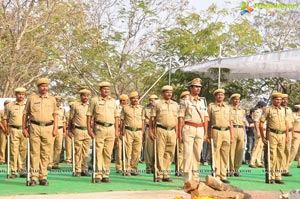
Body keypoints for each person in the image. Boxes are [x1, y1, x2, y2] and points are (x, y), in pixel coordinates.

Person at [22, 78, 58, 186]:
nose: (44, 88)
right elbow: (25, 114)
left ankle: (43, 176)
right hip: (34, 127)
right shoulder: (31, 98)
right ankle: (34, 176)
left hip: (48, 128)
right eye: (42, 86)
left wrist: (55, 128)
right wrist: (24, 128)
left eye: (46, 86)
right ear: (38, 87)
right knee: (34, 153)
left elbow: (55, 115)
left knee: (45, 153)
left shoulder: (52, 99)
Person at [87, 81, 119, 183]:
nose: (106, 90)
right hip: (99, 128)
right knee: (98, 152)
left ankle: (105, 174)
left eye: (108, 89)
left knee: (108, 153)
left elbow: (116, 117)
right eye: (104, 89)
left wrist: (117, 131)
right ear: (100, 90)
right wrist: (89, 129)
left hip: (111, 128)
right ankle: (98, 174)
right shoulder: (94, 100)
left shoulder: (113, 102)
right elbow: (89, 115)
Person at [178, 78, 208, 183]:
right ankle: (187, 179)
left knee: (197, 154)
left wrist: (206, 132)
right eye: (196, 86)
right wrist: (180, 133)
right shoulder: (185, 101)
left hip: (200, 128)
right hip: (188, 128)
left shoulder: (203, 101)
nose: (198, 89)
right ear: (191, 88)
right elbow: (181, 117)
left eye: (199, 87)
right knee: (187, 154)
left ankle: (195, 178)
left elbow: (205, 117)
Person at [149, 85, 179, 182]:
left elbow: (177, 120)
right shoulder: (157, 103)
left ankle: (166, 173)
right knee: (160, 152)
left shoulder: (176, 104)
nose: (169, 94)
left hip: (172, 131)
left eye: (170, 92)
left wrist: (177, 132)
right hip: (160, 129)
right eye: (166, 92)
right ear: (163, 93)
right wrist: (150, 131)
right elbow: (152, 118)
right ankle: (159, 174)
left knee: (169, 153)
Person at [260, 92, 288, 184]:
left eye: (280, 99)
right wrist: (263, 137)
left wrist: (287, 136)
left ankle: (278, 176)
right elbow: (261, 123)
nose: (279, 101)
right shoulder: (268, 110)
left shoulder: (283, 110)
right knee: (272, 156)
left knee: (280, 156)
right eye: (277, 99)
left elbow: (286, 124)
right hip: (272, 134)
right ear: (273, 100)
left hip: (282, 135)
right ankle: (270, 176)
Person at [208, 89, 233, 184]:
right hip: (216, 131)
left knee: (225, 154)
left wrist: (232, 135)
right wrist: (208, 134)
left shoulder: (228, 107)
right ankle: (216, 174)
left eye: (222, 95)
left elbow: (230, 122)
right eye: (218, 95)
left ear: (224, 96)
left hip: (226, 131)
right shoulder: (212, 107)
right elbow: (209, 121)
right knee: (215, 153)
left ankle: (223, 174)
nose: (220, 96)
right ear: (215, 96)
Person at [3, 87, 27, 178]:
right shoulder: (10, 105)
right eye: (19, 94)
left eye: (23, 94)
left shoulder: (27, 105)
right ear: (16, 95)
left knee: (23, 151)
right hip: (13, 130)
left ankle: (22, 170)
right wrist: (6, 129)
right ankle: (14, 171)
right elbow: (5, 118)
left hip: (24, 130)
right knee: (13, 151)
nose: (21, 96)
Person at [68, 89, 91, 177]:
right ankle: (77, 169)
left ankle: (84, 169)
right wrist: (69, 130)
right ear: (80, 96)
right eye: (83, 95)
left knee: (85, 152)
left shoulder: (91, 106)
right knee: (78, 151)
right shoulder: (75, 106)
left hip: (87, 130)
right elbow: (70, 119)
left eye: (87, 96)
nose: (85, 97)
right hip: (78, 130)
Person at [121, 91, 144, 175]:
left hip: (138, 131)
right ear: (130, 99)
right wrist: (121, 132)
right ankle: (126, 169)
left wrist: (143, 133)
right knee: (127, 151)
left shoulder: (142, 108)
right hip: (128, 131)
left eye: (137, 98)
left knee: (137, 152)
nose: (135, 99)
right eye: (133, 98)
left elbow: (143, 121)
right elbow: (122, 120)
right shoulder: (125, 108)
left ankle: (134, 168)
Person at [228, 93, 246, 177]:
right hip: (233, 129)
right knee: (231, 150)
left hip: (241, 130)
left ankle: (236, 168)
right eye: (235, 99)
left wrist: (244, 132)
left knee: (240, 150)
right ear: (232, 100)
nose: (236, 101)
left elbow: (243, 122)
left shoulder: (242, 111)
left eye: (238, 99)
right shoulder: (229, 109)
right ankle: (230, 169)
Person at [48, 96, 66, 169]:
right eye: (57, 101)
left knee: (58, 147)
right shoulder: (50, 109)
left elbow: (64, 121)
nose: (58, 102)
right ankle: (49, 163)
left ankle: (55, 163)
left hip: (60, 129)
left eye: (59, 101)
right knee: (50, 147)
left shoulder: (62, 110)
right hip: (52, 128)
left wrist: (64, 131)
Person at [249, 101, 267, 168]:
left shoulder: (262, 112)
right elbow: (256, 122)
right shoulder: (257, 112)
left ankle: (258, 161)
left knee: (260, 147)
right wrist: (258, 131)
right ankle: (252, 162)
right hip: (259, 130)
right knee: (257, 146)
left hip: (263, 130)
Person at [144, 94, 158, 174]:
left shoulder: (159, 108)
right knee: (149, 149)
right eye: (152, 100)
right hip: (149, 128)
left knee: (157, 150)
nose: (153, 102)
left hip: (158, 129)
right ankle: (148, 167)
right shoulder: (146, 110)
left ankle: (155, 167)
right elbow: (145, 120)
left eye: (155, 100)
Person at [115, 94, 129, 173]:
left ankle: (126, 166)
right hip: (119, 129)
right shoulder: (117, 108)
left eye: (126, 100)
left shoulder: (129, 108)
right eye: (123, 100)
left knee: (127, 149)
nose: (124, 102)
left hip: (127, 130)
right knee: (119, 149)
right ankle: (119, 167)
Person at [281, 94, 293, 176]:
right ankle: (278, 170)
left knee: (287, 151)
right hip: (281, 132)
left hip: (289, 132)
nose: (285, 101)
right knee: (280, 151)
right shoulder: (278, 109)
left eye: (286, 99)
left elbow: (291, 121)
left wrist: (292, 133)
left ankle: (285, 169)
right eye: (283, 99)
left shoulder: (289, 109)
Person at [287, 105, 300, 172]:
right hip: (296, 133)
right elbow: (291, 124)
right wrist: (292, 133)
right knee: (294, 150)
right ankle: (286, 167)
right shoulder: (293, 115)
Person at [0, 100, 11, 164]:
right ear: (4, 105)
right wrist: (4, 129)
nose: (8, 105)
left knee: (11, 145)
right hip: (3, 130)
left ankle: (9, 159)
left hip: (11, 130)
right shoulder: (1, 111)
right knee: (2, 145)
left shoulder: (11, 111)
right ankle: (2, 159)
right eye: (6, 104)